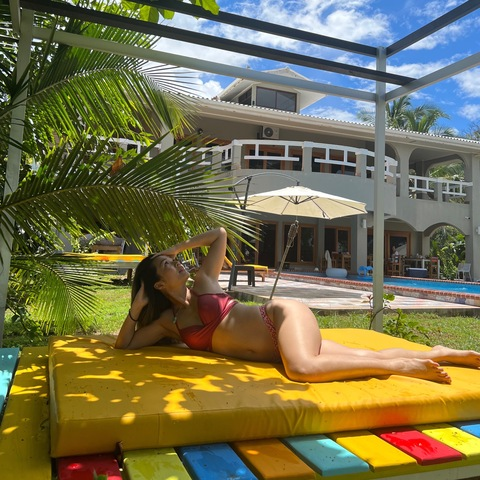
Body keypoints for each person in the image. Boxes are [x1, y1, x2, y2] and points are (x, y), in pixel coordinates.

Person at [115, 228, 480, 383]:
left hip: (282, 317)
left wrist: (174, 248)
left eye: (175, 259)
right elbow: (125, 345)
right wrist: (138, 307)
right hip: (279, 348)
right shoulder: (168, 322)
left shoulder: (203, 283)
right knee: (361, 356)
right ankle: (440, 352)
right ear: (159, 285)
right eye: (168, 265)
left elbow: (219, 235)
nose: (177, 263)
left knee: (302, 369)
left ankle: (400, 367)